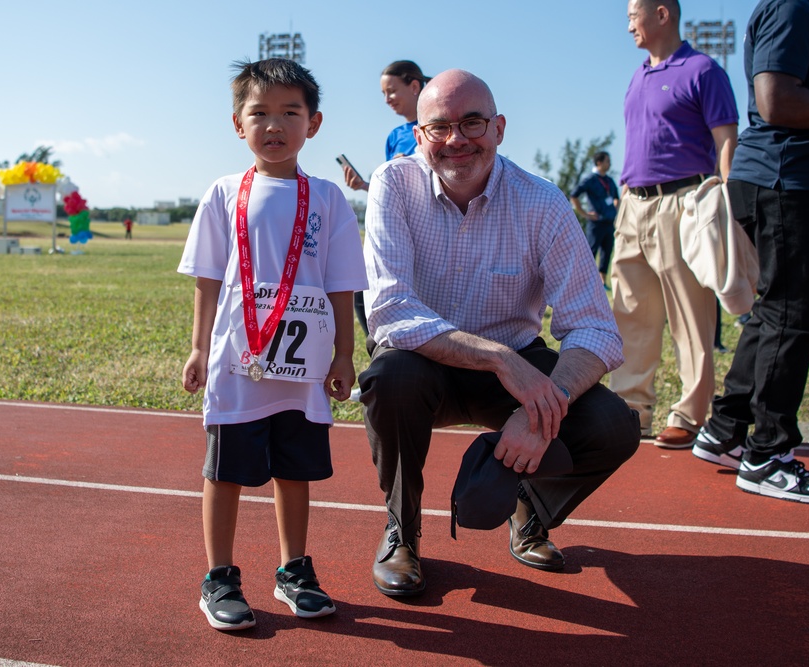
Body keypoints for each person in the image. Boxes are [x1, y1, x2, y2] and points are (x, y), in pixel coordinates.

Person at [359, 69, 640, 597]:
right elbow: (390, 313)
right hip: (425, 363)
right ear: (418, 137)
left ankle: (529, 503)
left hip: (516, 367)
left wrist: (544, 405)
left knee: (612, 425)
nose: (456, 140)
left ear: (500, 128)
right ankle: (402, 530)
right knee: (389, 378)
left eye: (472, 123)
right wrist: (498, 360)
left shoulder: (542, 202)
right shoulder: (392, 185)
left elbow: (596, 330)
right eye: (438, 127)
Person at [179, 58, 368, 629]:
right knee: (226, 470)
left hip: (303, 365)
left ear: (313, 122)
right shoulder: (222, 193)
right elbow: (207, 279)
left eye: (290, 111)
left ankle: (293, 569)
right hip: (239, 361)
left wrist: (343, 353)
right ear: (238, 124)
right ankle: (220, 577)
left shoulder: (330, 199)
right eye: (259, 113)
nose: (274, 125)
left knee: (295, 468)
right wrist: (196, 347)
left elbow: (341, 285)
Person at [690, 1, 809, 504]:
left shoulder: (807, 10)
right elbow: (775, 101)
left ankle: (726, 429)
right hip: (787, 177)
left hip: (782, 175)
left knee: (774, 310)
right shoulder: (793, 7)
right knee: (792, 317)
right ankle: (767, 455)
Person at [610, 0, 738, 447]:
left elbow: (727, 141)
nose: (628, 25)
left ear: (661, 14)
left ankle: (689, 412)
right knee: (628, 312)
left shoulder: (703, 70)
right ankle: (631, 408)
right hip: (633, 205)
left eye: (633, 15)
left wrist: (724, 201)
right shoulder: (638, 76)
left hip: (683, 203)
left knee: (690, 314)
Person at [344, 60, 431, 337]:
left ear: (414, 86)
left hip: (428, 234)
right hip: (396, 229)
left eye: (391, 91)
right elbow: (394, 192)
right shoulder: (395, 136)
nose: (386, 100)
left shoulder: (438, 126)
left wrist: (417, 163)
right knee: (363, 289)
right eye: (383, 94)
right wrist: (366, 186)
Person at [569, 151, 620, 288]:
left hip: (609, 223)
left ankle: (603, 282)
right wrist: (584, 214)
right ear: (599, 162)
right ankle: (583, 282)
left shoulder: (610, 181)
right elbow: (574, 195)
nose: (609, 164)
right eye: (607, 161)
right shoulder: (590, 180)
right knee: (591, 252)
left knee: (607, 253)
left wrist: (615, 211)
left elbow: (616, 197)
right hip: (596, 223)